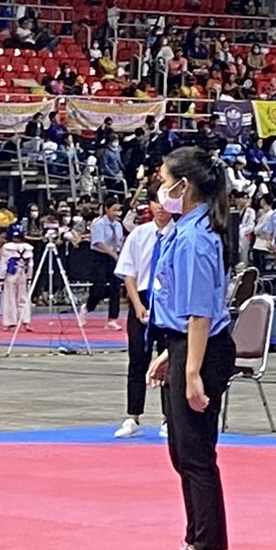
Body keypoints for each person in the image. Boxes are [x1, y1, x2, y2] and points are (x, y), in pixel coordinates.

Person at [145, 147, 236, 550]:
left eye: (164, 180)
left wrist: (193, 372)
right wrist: (172, 353)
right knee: (181, 452)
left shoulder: (197, 239)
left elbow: (202, 312)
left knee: (197, 454)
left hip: (204, 348)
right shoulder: (182, 231)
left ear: (184, 186)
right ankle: (194, 540)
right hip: (185, 343)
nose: (159, 188)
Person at [113, 183, 171, 439]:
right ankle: (133, 417)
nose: (161, 208)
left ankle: (169, 418)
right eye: (156, 202)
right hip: (143, 299)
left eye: (165, 202)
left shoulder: (180, 233)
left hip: (168, 303)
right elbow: (128, 272)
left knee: (169, 362)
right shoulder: (139, 234)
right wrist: (137, 305)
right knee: (138, 360)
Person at [86, 199, 126, 329]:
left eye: (118, 210)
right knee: (99, 286)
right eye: (114, 210)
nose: (117, 213)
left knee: (116, 287)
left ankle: (112, 319)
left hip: (115, 257)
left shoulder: (118, 225)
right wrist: (112, 254)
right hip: (100, 256)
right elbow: (98, 242)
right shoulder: (99, 224)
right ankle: (88, 307)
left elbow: (120, 241)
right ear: (106, 209)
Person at [0, 223, 33, 330]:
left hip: (11, 275)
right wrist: (29, 277)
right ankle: (26, 321)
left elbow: (4, 264)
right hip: (23, 274)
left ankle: (11, 323)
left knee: (10, 299)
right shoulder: (28, 248)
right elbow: (30, 265)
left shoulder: (7, 247)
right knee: (23, 298)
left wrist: (0, 279)